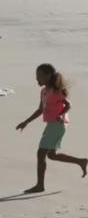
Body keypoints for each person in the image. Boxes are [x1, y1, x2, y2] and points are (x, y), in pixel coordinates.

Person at [15, 63, 87, 193]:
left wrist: (61, 114)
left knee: (41, 153)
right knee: (52, 155)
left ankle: (40, 185)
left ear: (48, 75)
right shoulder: (43, 91)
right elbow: (40, 110)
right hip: (52, 124)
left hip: (57, 124)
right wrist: (26, 122)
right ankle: (81, 161)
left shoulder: (55, 90)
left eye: (39, 76)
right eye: (36, 76)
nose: (37, 79)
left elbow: (68, 105)